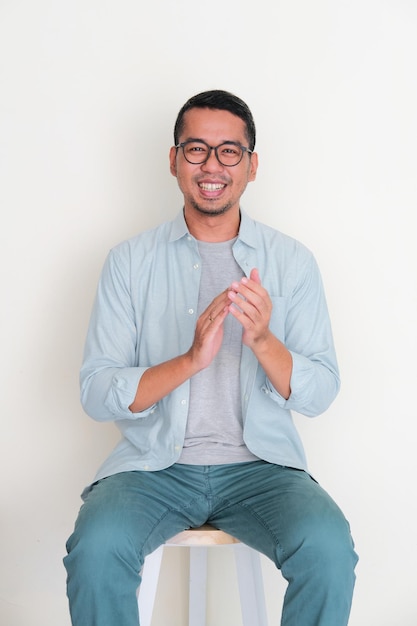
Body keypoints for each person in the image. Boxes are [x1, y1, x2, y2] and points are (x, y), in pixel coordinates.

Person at [64, 89, 358, 626]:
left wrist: (265, 342)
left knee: (329, 550)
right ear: (174, 160)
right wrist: (190, 360)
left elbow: (321, 391)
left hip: (262, 470)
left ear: (252, 165)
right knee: (97, 547)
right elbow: (96, 389)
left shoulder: (292, 262)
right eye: (195, 149)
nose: (211, 165)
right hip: (154, 467)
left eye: (229, 151)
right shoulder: (129, 262)